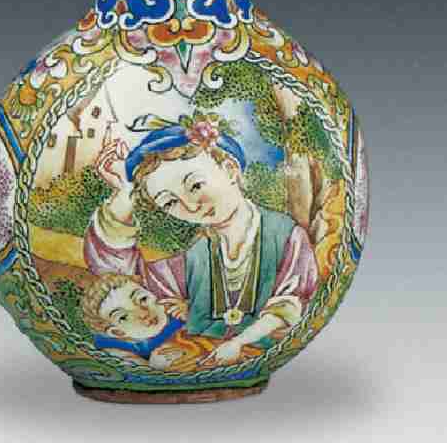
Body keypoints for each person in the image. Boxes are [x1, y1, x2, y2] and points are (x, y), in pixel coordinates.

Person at [83, 112, 319, 366]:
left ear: (230, 169)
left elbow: (290, 306)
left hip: (258, 353)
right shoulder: (195, 255)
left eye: (195, 186)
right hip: (205, 356)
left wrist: (238, 343)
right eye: (170, 202)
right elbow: (118, 276)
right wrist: (124, 195)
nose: (190, 207)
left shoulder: (286, 236)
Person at [81, 272, 261, 371]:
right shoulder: (118, 348)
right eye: (123, 317)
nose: (143, 313)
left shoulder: (174, 310)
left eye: (142, 299)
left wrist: (193, 313)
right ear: (117, 332)